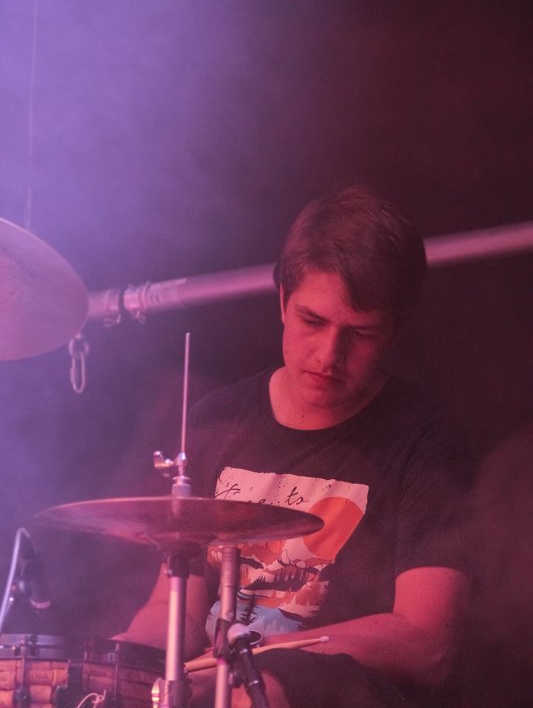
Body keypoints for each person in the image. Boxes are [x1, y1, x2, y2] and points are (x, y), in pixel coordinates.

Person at [121, 187, 471, 707]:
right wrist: (110, 667)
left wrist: (257, 657)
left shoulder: (426, 441)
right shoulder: (217, 419)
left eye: (361, 334)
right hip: (213, 685)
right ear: (283, 299)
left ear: (393, 332)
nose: (329, 355)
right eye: (313, 321)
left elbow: (426, 642)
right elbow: (176, 613)